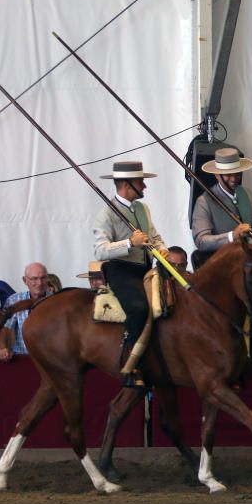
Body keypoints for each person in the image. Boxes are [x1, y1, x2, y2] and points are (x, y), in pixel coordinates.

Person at [94, 161, 167, 387]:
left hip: (145, 268)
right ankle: (130, 363)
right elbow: (99, 250)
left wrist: (162, 249)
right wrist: (129, 242)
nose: (144, 186)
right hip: (121, 270)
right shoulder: (106, 213)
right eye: (140, 182)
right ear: (127, 184)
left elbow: (153, 237)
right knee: (138, 308)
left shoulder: (143, 209)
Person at [191, 147, 252, 264]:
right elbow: (201, 241)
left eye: (237, 174)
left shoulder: (246, 193)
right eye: (228, 175)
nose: (234, 179)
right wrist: (232, 236)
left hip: (248, 262)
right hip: (222, 264)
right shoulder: (204, 201)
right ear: (217, 175)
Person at [0, 263, 51, 361]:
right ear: (25, 280)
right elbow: (5, 328)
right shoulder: (14, 300)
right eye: (34, 278)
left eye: (43, 278)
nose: (39, 283)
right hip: (22, 359)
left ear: (47, 278)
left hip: (48, 361)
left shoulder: (56, 300)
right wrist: (2, 348)